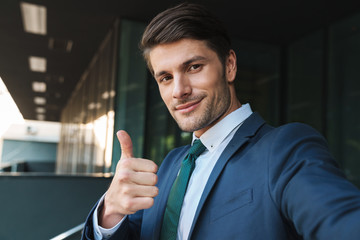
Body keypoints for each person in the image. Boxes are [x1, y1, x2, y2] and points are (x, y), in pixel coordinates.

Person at [82, 3, 360, 240]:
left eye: (193, 67)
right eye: (165, 77)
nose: (179, 90)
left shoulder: (285, 150)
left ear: (229, 66)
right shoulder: (169, 166)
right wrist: (110, 211)